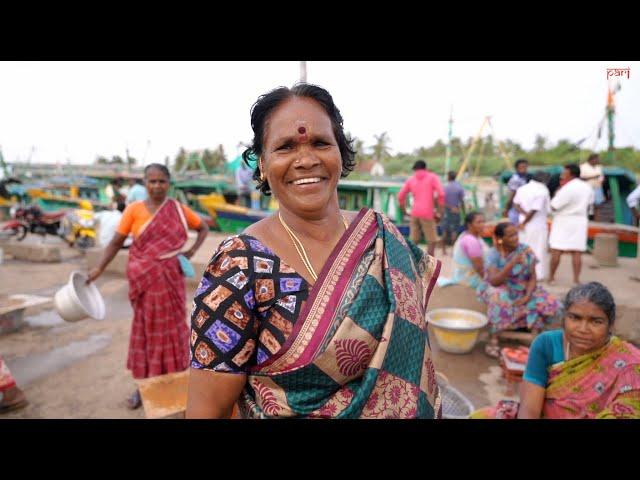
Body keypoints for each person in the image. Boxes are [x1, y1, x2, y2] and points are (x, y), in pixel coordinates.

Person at [186, 83, 442, 419]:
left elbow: (410, 352)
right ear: (263, 164)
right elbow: (208, 409)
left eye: (321, 143)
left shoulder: (381, 236)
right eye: (285, 147)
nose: (306, 160)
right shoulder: (239, 265)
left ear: (340, 153)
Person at [87, 163, 209, 409]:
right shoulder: (133, 210)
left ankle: (176, 382)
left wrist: (191, 251)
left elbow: (203, 227)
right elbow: (115, 242)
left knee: (174, 329)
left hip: (170, 278)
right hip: (144, 279)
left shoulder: (178, 209)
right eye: (151, 181)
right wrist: (99, 268)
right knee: (147, 331)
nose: (156, 186)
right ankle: (143, 387)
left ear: (168, 183)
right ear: (144, 184)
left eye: (161, 181)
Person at [471, 282, 640, 419]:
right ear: (564, 319)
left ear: (610, 324)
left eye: (595, 321)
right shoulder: (546, 344)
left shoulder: (628, 363)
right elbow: (529, 411)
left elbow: (628, 409)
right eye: (575, 318)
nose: (583, 328)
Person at [480, 222, 560, 358]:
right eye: (510, 236)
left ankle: (535, 332)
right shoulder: (493, 254)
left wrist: (528, 295)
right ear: (500, 239)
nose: (516, 238)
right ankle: (493, 339)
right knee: (498, 299)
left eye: (516, 234)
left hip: (523, 288)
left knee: (552, 304)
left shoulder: (526, 250)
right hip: (501, 286)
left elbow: (533, 277)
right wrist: (512, 263)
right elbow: (494, 281)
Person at [548, 163, 594, 285]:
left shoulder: (567, 189)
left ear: (571, 174)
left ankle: (551, 278)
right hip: (580, 221)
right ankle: (576, 280)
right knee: (577, 251)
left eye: (564, 173)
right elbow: (590, 203)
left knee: (556, 250)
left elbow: (553, 206)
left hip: (563, 221)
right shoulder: (587, 187)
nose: (562, 175)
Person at [398, 160, 445, 257]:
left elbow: (400, 196)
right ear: (425, 168)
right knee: (431, 240)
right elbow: (441, 194)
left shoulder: (411, 179)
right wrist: (440, 212)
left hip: (414, 213)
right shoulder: (432, 177)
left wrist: (404, 211)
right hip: (428, 213)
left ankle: (412, 264)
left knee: (414, 240)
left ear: (415, 169)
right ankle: (429, 265)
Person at [513, 170, 551, 281]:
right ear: (545, 180)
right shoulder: (542, 190)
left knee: (524, 248)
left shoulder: (522, 188)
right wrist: (525, 221)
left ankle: (522, 272)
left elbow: (515, 204)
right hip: (537, 225)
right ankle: (537, 275)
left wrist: (523, 217)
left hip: (523, 224)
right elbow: (535, 209)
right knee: (538, 249)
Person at [438, 211, 488, 289]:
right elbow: (479, 268)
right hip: (469, 278)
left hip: (461, 275)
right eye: (479, 222)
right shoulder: (471, 240)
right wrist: (490, 282)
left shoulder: (466, 235)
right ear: (469, 225)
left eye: (483, 222)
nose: (483, 225)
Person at [441, 170, 465, 255]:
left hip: (446, 211)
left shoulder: (444, 187)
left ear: (448, 177)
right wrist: (463, 212)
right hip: (456, 210)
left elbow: (440, 201)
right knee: (454, 230)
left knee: (444, 230)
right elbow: (462, 201)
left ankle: (443, 250)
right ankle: (453, 251)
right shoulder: (459, 187)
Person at [503, 159, 529, 225]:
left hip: (523, 206)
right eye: (521, 167)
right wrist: (506, 208)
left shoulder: (525, 178)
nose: (524, 169)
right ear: (517, 168)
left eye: (525, 167)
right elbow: (512, 195)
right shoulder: (515, 179)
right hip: (515, 208)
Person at [580, 153, 605, 220]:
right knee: (586, 205)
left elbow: (601, 177)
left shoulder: (598, 167)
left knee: (597, 205)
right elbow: (581, 178)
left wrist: (601, 180)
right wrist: (593, 177)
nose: (598, 161)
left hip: (597, 188)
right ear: (592, 159)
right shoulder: (583, 167)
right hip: (586, 188)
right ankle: (585, 220)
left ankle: (597, 222)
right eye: (597, 159)